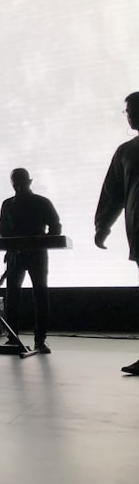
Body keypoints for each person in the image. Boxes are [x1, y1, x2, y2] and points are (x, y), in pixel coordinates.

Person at [95, 92, 139, 374]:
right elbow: (113, 194)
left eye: (131, 109)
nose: (129, 114)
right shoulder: (126, 151)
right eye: (127, 110)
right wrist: (102, 226)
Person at [0, 168, 61, 354]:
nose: (18, 185)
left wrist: (44, 242)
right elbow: (1, 229)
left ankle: (40, 340)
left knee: (40, 295)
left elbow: (55, 226)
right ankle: (12, 337)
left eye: (21, 181)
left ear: (29, 181)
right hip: (16, 254)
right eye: (15, 181)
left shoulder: (41, 202)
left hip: (36, 254)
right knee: (12, 297)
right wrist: (7, 243)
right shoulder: (7, 204)